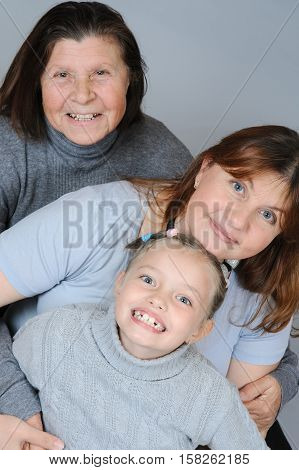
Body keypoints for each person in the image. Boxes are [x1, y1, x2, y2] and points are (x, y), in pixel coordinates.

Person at [0, 125, 298, 449]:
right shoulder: (97, 218)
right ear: (205, 168)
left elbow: (231, 430)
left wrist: (286, 377)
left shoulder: (263, 300)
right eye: (238, 187)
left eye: (268, 214)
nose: (238, 220)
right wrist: (16, 408)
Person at [0, 1, 192, 449]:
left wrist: (283, 374)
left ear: (131, 79)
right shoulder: (7, 151)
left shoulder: (164, 157)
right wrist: (18, 403)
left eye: (102, 74)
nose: (82, 95)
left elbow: (224, 287)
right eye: (62, 74)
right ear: (36, 82)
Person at [12, 231, 268, 450]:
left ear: (199, 331)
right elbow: (8, 383)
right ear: (120, 283)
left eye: (184, 299)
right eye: (148, 280)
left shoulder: (208, 395)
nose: (158, 299)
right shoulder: (58, 332)